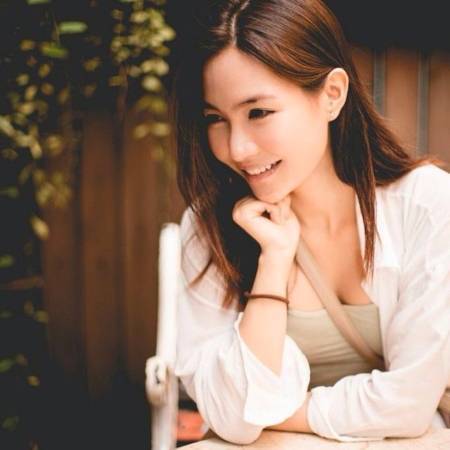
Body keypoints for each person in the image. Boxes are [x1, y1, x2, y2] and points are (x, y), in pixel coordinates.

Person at [170, 0, 450, 444]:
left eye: (258, 112)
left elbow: (408, 405)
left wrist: (281, 412)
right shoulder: (208, 231)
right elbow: (233, 415)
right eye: (216, 119)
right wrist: (274, 261)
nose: (237, 148)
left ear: (332, 94)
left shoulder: (426, 204)